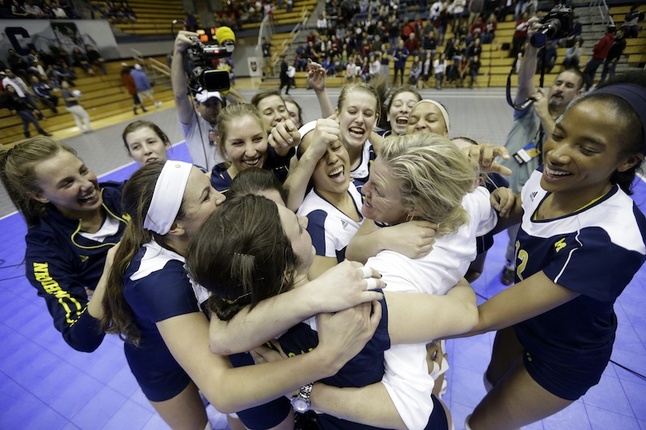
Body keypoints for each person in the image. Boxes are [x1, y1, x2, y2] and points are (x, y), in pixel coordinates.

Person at [102, 160, 385, 429]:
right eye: (205, 196)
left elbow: (242, 299)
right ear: (175, 227)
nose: (222, 197)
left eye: (211, 185)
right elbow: (222, 387)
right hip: (162, 362)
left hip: (223, 347)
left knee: (256, 413)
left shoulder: (208, 225)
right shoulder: (162, 283)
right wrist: (325, 359)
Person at [187, 191, 478, 429]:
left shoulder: (242, 312)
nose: (304, 219)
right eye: (299, 228)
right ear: (286, 271)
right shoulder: (359, 311)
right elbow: (465, 316)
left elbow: (221, 332)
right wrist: (450, 275)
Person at [463, 71, 646, 430]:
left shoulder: (612, 237)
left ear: (627, 161)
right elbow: (522, 215)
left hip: (565, 355)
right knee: (492, 383)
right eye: (559, 134)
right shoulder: (544, 182)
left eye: (586, 148)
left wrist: (399, 325)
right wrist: (476, 183)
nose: (558, 154)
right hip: (526, 322)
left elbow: (483, 318)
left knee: (481, 424)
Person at [0, 137, 127, 352]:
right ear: (40, 195)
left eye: (83, 170)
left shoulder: (121, 195)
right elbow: (80, 337)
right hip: (146, 329)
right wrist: (111, 271)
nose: (87, 184)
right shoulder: (45, 251)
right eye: (68, 182)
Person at [498, 17, 584, 286]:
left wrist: (545, 114)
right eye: (558, 82)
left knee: (519, 236)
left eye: (569, 86)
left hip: (533, 196)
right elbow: (524, 86)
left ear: (579, 94)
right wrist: (532, 47)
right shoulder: (529, 109)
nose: (560, 88)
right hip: (502, 184)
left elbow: (557, 144)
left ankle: (511, 262)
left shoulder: (575, 126)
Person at [210, 103, 294, 192]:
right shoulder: (217, 193)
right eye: (238, 143)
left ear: (266, 136)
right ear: (222, 146)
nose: (251, 153)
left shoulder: (280, 169)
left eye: (257, 139)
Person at [582, 25, 615, 91]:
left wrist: (595, 47)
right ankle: (588, 88)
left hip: (597, 57)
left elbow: (598, 48)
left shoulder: (605, 38)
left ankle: (589, 85)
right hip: (601, 58)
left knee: (586, 72)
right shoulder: (611, 39)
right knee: (592, 72)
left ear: (608, 30)